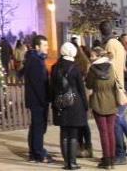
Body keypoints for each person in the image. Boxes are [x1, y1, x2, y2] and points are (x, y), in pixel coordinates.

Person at [100, 21, 127, 164]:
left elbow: (108, 67)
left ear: (101, 31)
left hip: (114, 87)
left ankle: (120, 153)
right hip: (120, 84)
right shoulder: (119, 44)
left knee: (116, 123)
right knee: (119, 120)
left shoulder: (110, 45)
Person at [51, 42, 88, 170]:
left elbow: (52, 87)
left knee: (64, 133)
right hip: (74, 103)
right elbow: (81, 88)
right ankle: (72, 162)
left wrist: (54, 102)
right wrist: (85, 105)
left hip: (60, 103)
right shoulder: (75, 67)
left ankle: (66, 162)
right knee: (73, 133)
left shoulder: (55, 67)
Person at [21, 34, 53, 163]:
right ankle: (38, 153)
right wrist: (45, 99)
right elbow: (38, 84)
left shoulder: (36, 59)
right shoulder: (35, 61)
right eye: (44, 45)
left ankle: (35, 151)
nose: (47, 47)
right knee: (38, 127)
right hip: (38, 100)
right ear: (37, 46)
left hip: (37, 99)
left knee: (36, 126)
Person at [87, 47, 119, 169]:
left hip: (98, 101)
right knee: (111, 131)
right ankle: (112, 159)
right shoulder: (111, 67)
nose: (90, 58)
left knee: (103, 132)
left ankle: (106, 160)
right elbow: (115, 83)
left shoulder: (92, 69)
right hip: (111, 101)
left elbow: (88, 84)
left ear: (98, 56)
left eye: (92, 56)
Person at [71, 37, 94, 158]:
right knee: (83, 122)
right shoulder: (85, 61)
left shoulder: (77, 63)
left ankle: (82, 146)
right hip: (85, 93)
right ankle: (88, 146)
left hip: (80, 93)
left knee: (81, 122)